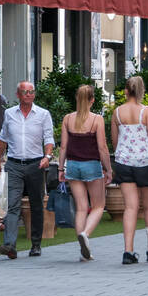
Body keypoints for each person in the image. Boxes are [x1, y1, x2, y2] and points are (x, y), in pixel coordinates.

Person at [0, 80, 54, 259]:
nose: (28, 95)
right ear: (18, 95)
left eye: (31, 92)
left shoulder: (43, 114)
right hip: (13, 164)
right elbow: (3, 138)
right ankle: (10, 245)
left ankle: (36, 244)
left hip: (36, 164)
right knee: (12, 204)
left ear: (34, 95)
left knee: (36, 204)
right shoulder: (9, 113)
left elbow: (49, 138)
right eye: (25, 92)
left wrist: (47, 157)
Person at [109, 75, 148, 265]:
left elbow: (115, 142)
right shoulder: (146, 112)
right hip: (145, 162)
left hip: (124, 162)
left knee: (130, 207)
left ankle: (128, 251)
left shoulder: (116, 113)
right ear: (141, 91)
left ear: (126, 90)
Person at [58, 84, 112, 262]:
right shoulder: (97, 119)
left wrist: (60, 168)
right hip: (91, 165)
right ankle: (85, 235)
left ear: (76, 98)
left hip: (73, 165)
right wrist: (109, 169)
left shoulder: (67, 119)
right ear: (92, 100)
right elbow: (102, 148)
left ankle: (83, 248)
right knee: (98, 206)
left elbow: (64, 146)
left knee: (81, 208)